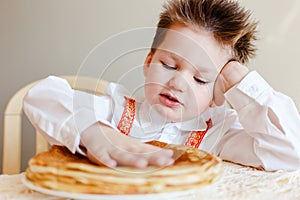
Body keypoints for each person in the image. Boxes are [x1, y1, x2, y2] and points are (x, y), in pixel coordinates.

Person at [23, 0, 300, 171]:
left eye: (201, 79)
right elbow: (41, 95)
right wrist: (96, 133)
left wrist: (238, 79)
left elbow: (290, 153)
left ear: (218, 94)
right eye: (169, 65)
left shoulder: (219, 135)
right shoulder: (117, 110)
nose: (178, 82)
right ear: (148, 62)